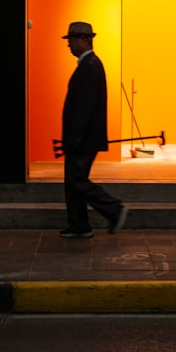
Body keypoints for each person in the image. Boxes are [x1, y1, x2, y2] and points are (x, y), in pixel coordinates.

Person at [58, 21, 129, 238]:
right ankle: (79, 225)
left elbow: (84, 108)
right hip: (83, 138)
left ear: (83, 40)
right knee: (73, 181)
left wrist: (75, 138)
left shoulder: (88, 66)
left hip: (83, 139)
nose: (68, 45)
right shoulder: (90, 64)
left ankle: (113, 209)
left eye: (71, 40)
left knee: (76, 180)